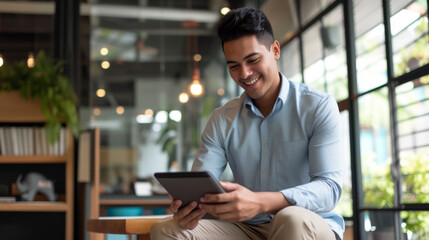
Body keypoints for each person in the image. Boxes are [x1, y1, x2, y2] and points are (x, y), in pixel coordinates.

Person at [151, 7, 344, 240]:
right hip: (247, 228)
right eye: (233, 66)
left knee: (290, 218)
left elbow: (329, 189)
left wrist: (261, 202)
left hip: (308, 223)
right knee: (167, 230)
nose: (245, 73)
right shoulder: (222, 119)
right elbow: (202, 185)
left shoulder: (317, 107)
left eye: (252, 60)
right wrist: (190, 209)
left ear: (275, 50)